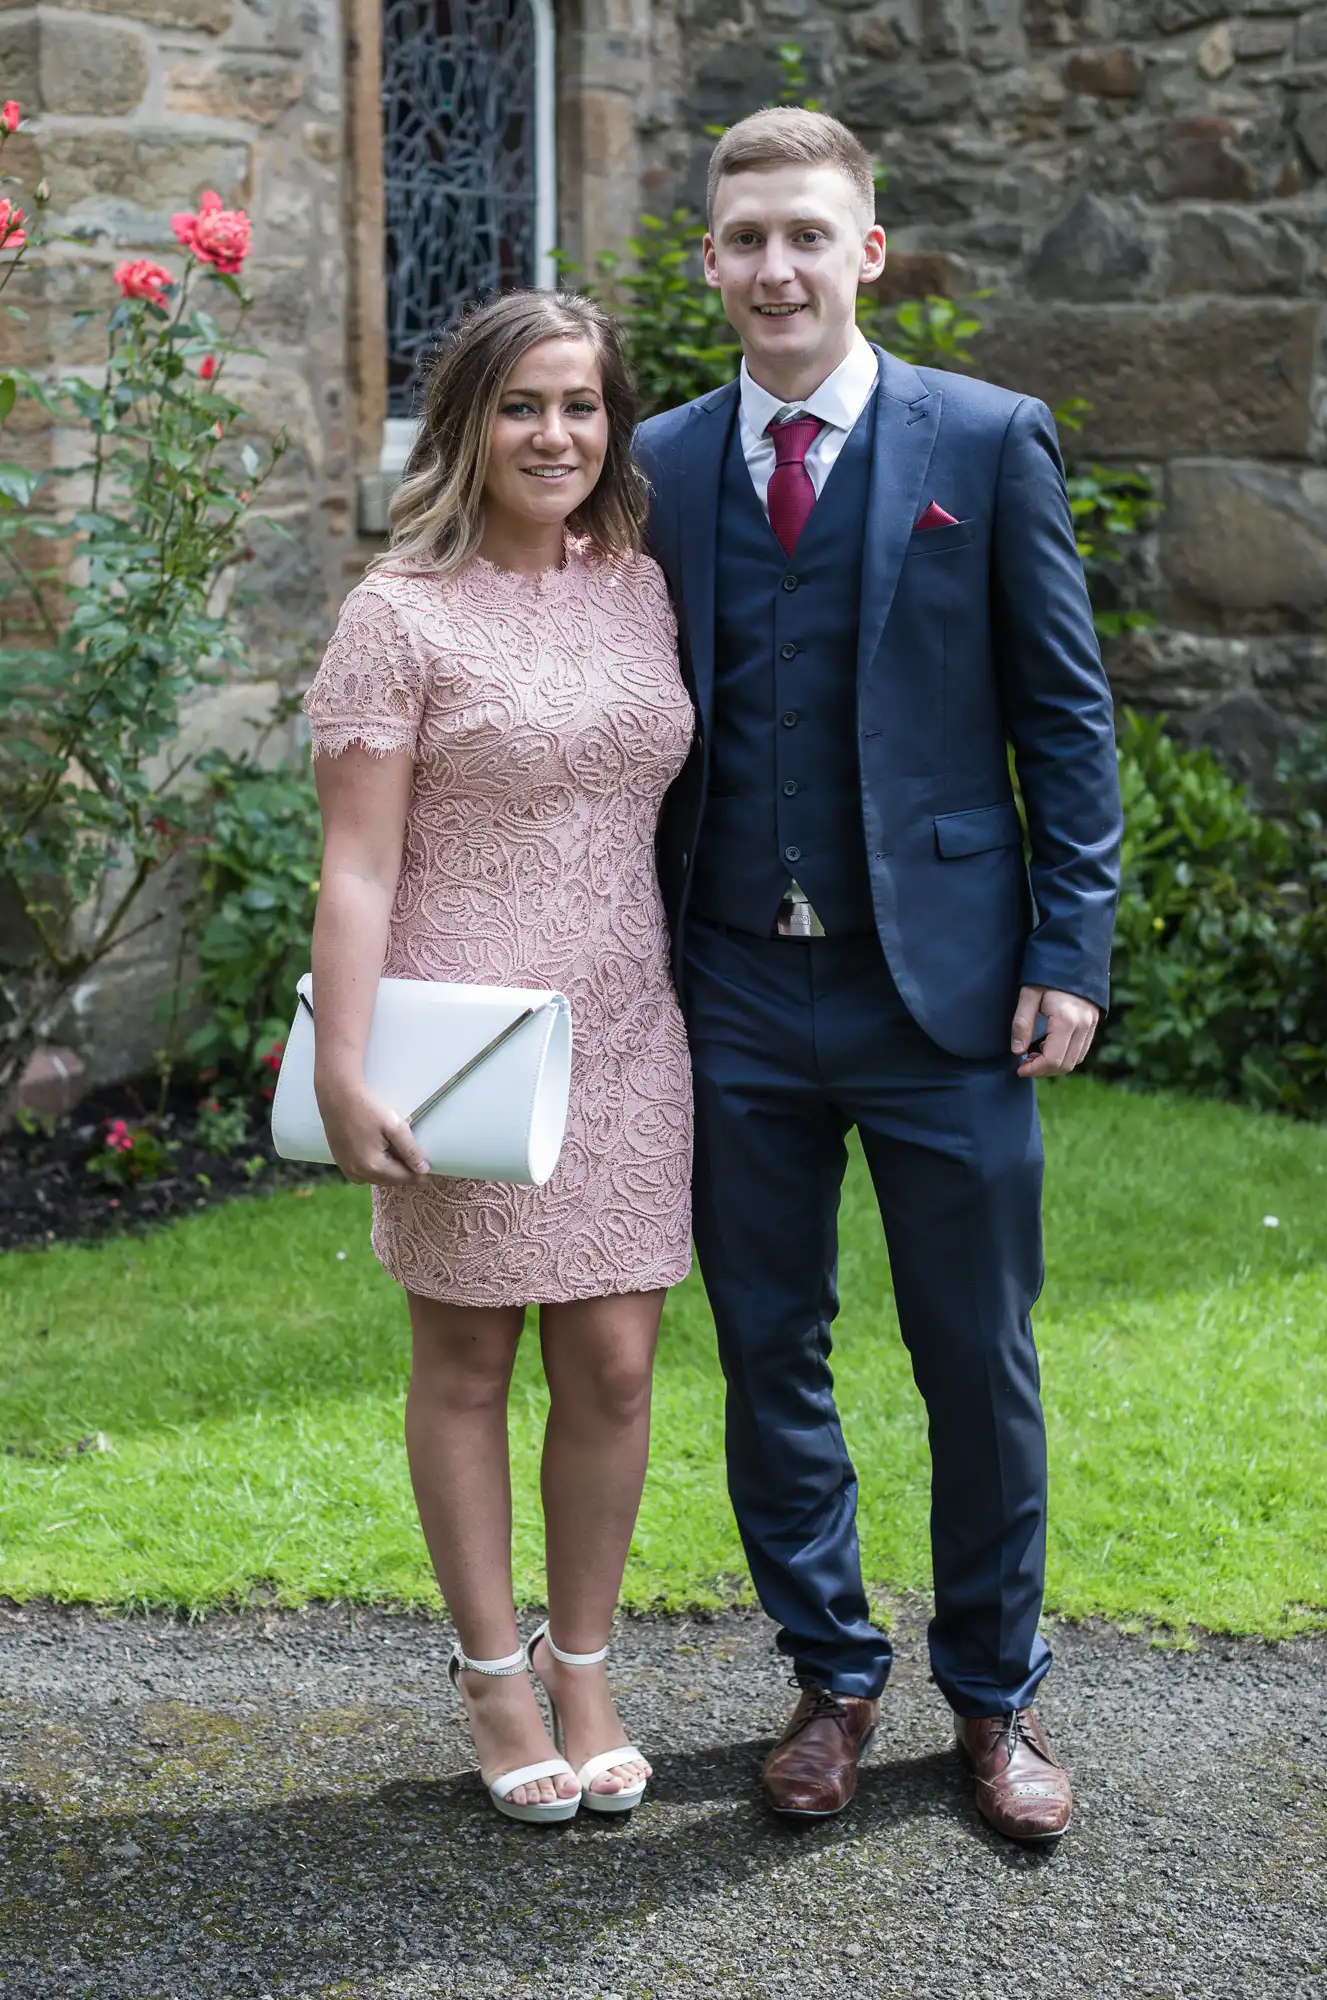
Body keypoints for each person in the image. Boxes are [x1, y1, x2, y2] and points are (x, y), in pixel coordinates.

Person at [636, 107, 1122, 1843]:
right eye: (746, 236)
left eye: (808, 236)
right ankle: (830, 1674)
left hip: (949, 992)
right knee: (770, 1348)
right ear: (710, 258)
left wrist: (1071, 941)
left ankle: (995, 1702)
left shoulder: (986, 443)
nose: (777, 266)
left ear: (869, 250)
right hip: (732, 993)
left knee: (975, 1354)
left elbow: (1063, 713)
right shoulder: (665, 459)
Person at [302, 291, 695, 1824]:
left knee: (614, 1360)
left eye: (584, 406)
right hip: (459, 1048)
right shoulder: (398, 612)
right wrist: (348, 1068)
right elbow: (355, 869)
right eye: (525, 406)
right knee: (465, 1363)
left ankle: (583, 1660)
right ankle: (489, 1675)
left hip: (628, 1032)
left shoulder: (643, 588)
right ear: (466, 423)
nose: (558, 436)